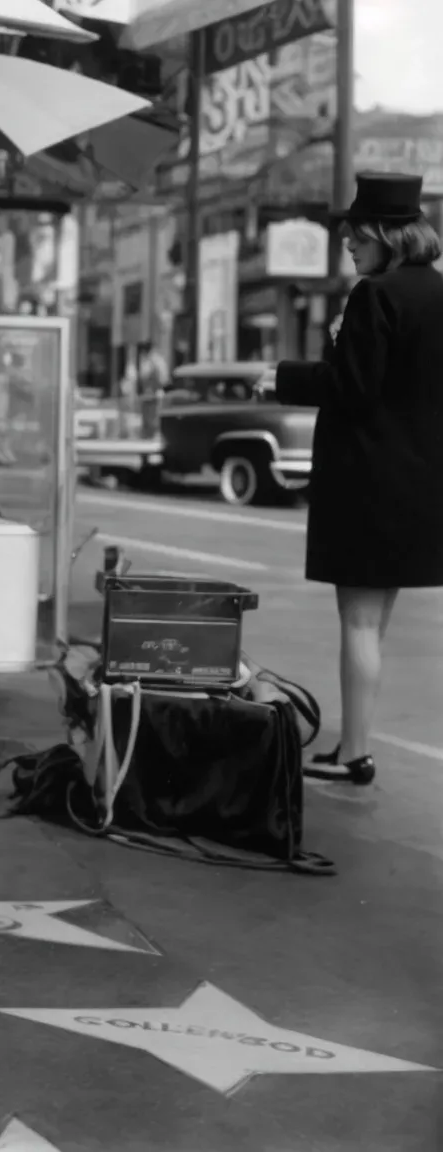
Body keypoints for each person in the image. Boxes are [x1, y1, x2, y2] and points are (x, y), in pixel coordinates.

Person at [272, 171, 443, 786]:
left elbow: (354, 387)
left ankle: (353, 753)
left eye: (353, 233)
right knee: (375, 623)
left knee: (360, 623)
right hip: (421, 481)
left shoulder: (377, 295)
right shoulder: (438, 293)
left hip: (370, 478)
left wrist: (284, 377)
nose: (347, 242)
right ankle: (352, 745)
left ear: (383, 234)